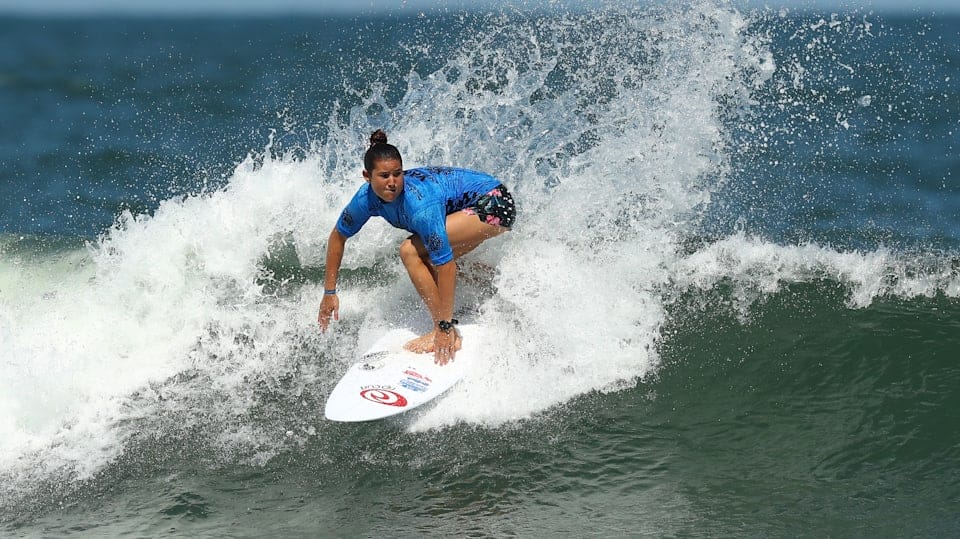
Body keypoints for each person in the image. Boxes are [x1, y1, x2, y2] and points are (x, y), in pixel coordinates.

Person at [317, 130, 516, 365]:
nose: (392, 182)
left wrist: (443, 326)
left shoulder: (420, 206)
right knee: (431, 256)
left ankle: (444, 329)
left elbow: (446, 265)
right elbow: (338, 237)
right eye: (384, 176)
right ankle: (489, 284)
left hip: (494, 204)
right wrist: (329, 293)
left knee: (411, 251)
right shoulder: (365, 200)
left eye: (397, 174)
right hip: (473, 203)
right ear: (367, 177)